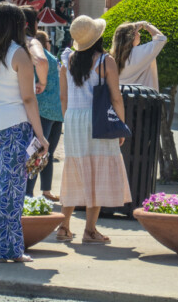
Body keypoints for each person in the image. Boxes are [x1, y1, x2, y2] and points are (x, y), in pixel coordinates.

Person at [0, 3, 48, 262]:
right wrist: (40, 136)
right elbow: (29, 99)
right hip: (15, 127)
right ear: (19, 25)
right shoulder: (19, 55)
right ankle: (11, 249)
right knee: (11, 190)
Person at [57, 15, 131, 244]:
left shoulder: (67, 59)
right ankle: (90, 230)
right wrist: (120, 126)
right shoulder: (105, 61)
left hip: (73, 118)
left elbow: (63, 96)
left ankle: (63, 226)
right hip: (97, 118)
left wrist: (68, 119)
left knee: (75, 170)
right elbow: (116, 98)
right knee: (97, 169)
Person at [26, 26, 63, 201]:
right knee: (40, 152)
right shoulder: (40, 58)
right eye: (48, 42)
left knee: (44, 152)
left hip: (52, 111)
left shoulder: (50, 59)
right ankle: (30, 191)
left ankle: (44, 190)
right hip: (47, 110)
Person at [111, 20, 167, 89]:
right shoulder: (139, 53)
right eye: (137, 32)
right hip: (143, 97)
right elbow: (161, 39)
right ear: (131, 36)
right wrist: (145, 25)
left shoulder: (112, 58)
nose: (139, 34)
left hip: (120, 96)